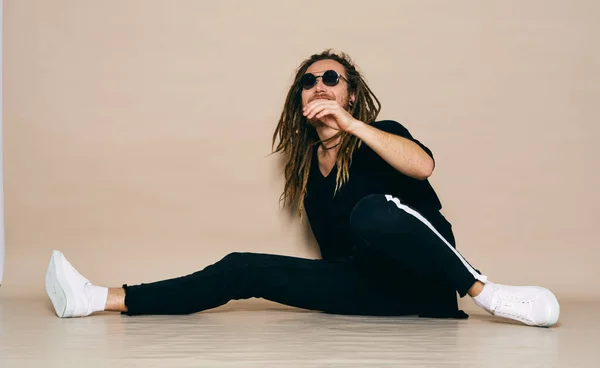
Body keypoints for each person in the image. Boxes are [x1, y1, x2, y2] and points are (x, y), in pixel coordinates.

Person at [45, 49, 560, 327]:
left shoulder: (382, 137)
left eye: (331, 78)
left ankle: (486, 293)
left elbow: (423, 168)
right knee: (242, 266)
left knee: (370, 211)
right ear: (300, 100)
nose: (319, 86)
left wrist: (354, 125)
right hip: (366, 289)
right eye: (309, 82)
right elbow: (336, 253)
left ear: (350, 93)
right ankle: (99, 299)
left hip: (426, 283)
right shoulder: (308, 167)